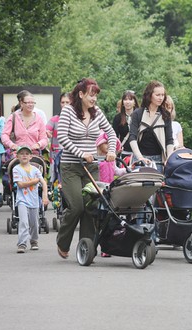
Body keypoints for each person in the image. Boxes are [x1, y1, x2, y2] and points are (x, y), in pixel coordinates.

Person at [56, 78, 117, 259]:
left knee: (91, 208)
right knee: (76, 206)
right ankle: (63, 241)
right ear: (81, 94)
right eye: (91, 95)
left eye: (96, 95)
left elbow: (111, 133)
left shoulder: (97, 112)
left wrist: (111, 150)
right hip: (71, 166)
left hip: (91, 166)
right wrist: (81, 153)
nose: (94, 99)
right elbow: (62, 137)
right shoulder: (68, 111)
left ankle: (86, 247)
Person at [128, 80, 174, 173]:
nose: (161, 98)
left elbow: (169, 139)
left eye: (162, 95)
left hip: (159, 161)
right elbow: (132, 137)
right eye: (157, 95)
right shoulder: (138, 113)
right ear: (150, 95)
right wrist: (140, 157)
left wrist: (169, 158)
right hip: (140, 159)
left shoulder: (165, 115)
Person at [12, 146, 49, 253]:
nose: (24, 155)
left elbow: (43, 183)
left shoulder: (36, 170)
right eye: (22, 153)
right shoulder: (16, 169)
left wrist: (45, 196)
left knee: (34, 223)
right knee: (24, 222)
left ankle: (34, 241)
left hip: (34, 200)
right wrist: (34, 181)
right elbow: (20, 184)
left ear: (31, 156)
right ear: (17, 156)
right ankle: (22, 243)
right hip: (22, 200)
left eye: (27, 154)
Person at [1, 91, 48, 159]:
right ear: (21, 103)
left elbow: (44, 138)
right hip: (17, 156)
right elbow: (4, 134)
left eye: (32, 103)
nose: (31, 104)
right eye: (28, 102)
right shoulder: (13, 117)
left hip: (34, 156)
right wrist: (12, 145)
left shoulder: (39, 119)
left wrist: (38, 144)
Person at [46, 92, 71, 181]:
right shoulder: (54, 119)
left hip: (71, 154)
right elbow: (46, 130)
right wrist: (47, 133)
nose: (64, 105)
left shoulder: (76, 120)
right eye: (62, 102)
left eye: (67, 102)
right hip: (56, 154)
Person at [112, 90, 139, 157]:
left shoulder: (140, 116)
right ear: (123, 103)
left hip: (138, 153)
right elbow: (114, 136)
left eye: (130, 99)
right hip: (123, 152)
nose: (127, 102)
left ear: (134, 102)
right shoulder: (117, 118)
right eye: (125, 99)